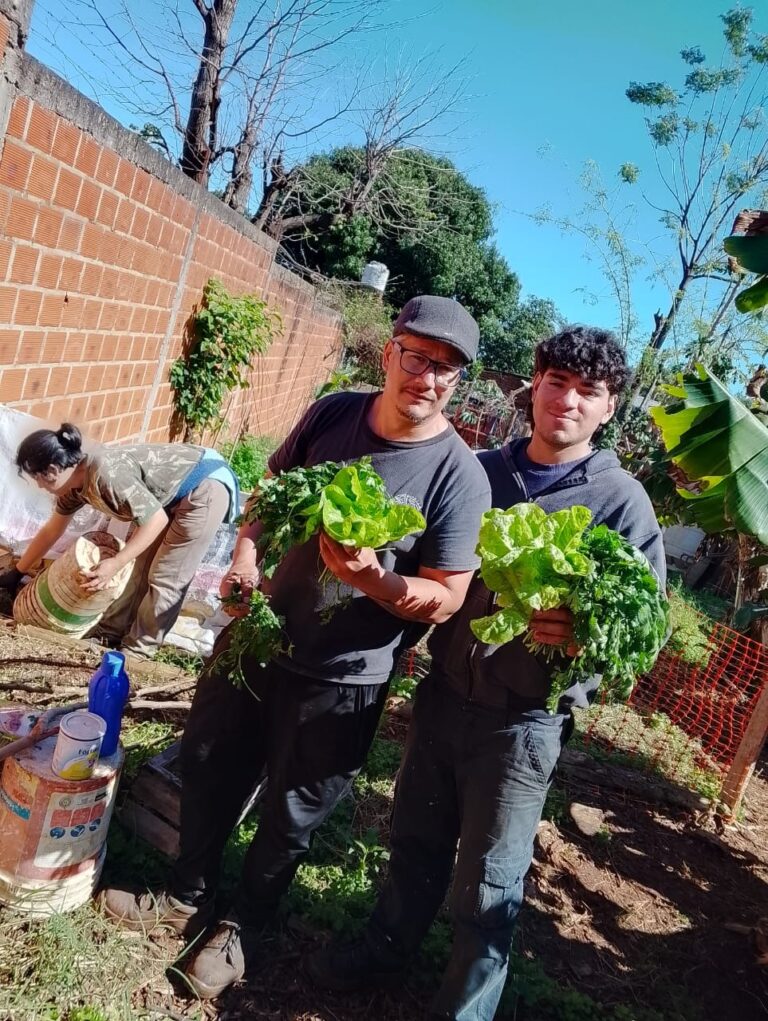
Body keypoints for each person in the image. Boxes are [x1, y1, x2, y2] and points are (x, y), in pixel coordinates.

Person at [101, 295, 492, 1000]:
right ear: (389, 351)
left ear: (456, 380)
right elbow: (270, 495)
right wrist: (246, 558)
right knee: (209, 763)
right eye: (416, 356)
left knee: (294, 808)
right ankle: (183, 897)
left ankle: (242, 927)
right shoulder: (334, 413)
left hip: (346, 676)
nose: (427, 377)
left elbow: (450, 594)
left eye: (445, 368)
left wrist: (378, 580)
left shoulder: (458, 476)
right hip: (258, 639)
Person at [306, 326, 667, 1021]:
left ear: (608, 406)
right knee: (413, 841)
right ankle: (385, 947)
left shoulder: (621, 503)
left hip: (523, 724)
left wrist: (581, 637)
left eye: (587, 390)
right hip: (443, 695)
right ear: (535, 384)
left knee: (491, 882)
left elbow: (638, 635)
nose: (566, 400)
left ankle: (463, 1008)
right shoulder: (479, 471)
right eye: (556, 381)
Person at [1, 424, 239, 658]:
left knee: (167, 576)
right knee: (138, 568)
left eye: (39, 479)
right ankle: (109, 634)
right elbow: (51, 531)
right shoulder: (72, 489)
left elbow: (155, 521)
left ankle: (137, 652)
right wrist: (17, 572)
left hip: (203, 485)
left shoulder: (106, 473)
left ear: (52, 470)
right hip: (169, 496)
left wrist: (115, 562)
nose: (40, 486)